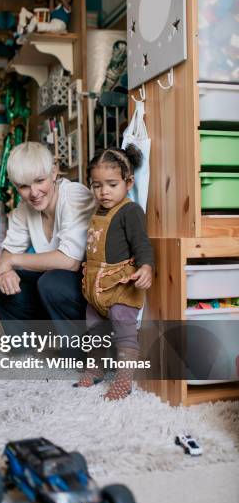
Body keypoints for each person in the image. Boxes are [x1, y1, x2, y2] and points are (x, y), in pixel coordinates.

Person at [0, 142, 95, 338]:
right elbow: (6, 255)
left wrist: (11, 261)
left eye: (39, 181)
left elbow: (70, 261)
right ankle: (29, 340)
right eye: (24, 186)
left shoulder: (74, 196)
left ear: (53, 173)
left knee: (51, 281)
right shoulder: (24, 208)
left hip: (89, 287)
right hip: (55, 287)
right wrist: (5, 271)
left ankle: (79, 345)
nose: (34, 193)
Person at [79, 145, 154, 400]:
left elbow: (142, 243)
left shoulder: (130, 211)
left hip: (120, 286)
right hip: (95, 288)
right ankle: (96, 367)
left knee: (124, 328)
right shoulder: (97, 211)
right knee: (94, 328)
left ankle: (124, 378)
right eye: (97, 185)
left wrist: (146, 266)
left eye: (111, 184)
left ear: (128, 182)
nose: (103, 191)